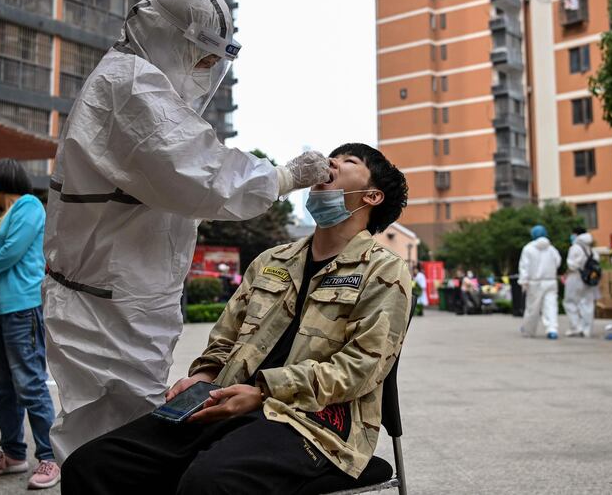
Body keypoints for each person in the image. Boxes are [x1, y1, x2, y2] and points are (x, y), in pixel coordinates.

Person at [43, 0, 330, 462]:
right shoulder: (132, 86)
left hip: (118, 294)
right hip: (106, 301)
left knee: (120, 431)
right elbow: (203, 175)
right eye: (200, 58)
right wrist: (283, 176)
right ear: (166, 36)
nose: (204, 71)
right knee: (113, 439)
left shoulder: (131, 81)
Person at [61, 143, 411, 495]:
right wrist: (203, 375)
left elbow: (360, 368)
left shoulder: (384, 270)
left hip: (313, 422)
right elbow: (225, 339)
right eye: (333, 156)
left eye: (349, 161)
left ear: (372, 196)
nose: (331, 161)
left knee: (208, 484)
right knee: (91, 466)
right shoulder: (271, 261)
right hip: (225, 400)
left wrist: (262, 392)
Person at [0, 159, 59, 490]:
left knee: (30, 385)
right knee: (3, 389)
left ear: (1, 179)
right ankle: (12, 453)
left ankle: (49, 456)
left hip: (22, 309)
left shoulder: (30, 207)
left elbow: (10, 253)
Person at [519, 225, 562, 339]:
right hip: (551, 281)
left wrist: (524, 281)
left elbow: (524, 267)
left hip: (535, 282)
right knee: (551, 306)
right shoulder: (551, 249)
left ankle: (529, 330)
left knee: (533, 308)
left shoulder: (528, 248)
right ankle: (552, 329)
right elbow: (558, 262)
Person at [564, 227, 600, 337]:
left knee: (570, 302)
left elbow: (572, 265)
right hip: (589, 279)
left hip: (575, 277)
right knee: (587, 303)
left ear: (576, 234)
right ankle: (587, 329)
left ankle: (576, 327)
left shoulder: (575, 247)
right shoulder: (590, 248)